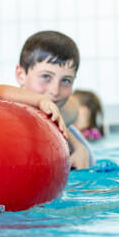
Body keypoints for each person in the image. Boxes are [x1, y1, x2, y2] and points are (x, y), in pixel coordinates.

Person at [15, 30, 93, 169]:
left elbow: (70, 110)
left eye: (66, 80)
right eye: (46, 77)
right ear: (21, 75)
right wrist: (76, 145)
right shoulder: (13, 108)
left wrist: (78, 147)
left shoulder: (68, 111)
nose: (55, 91)